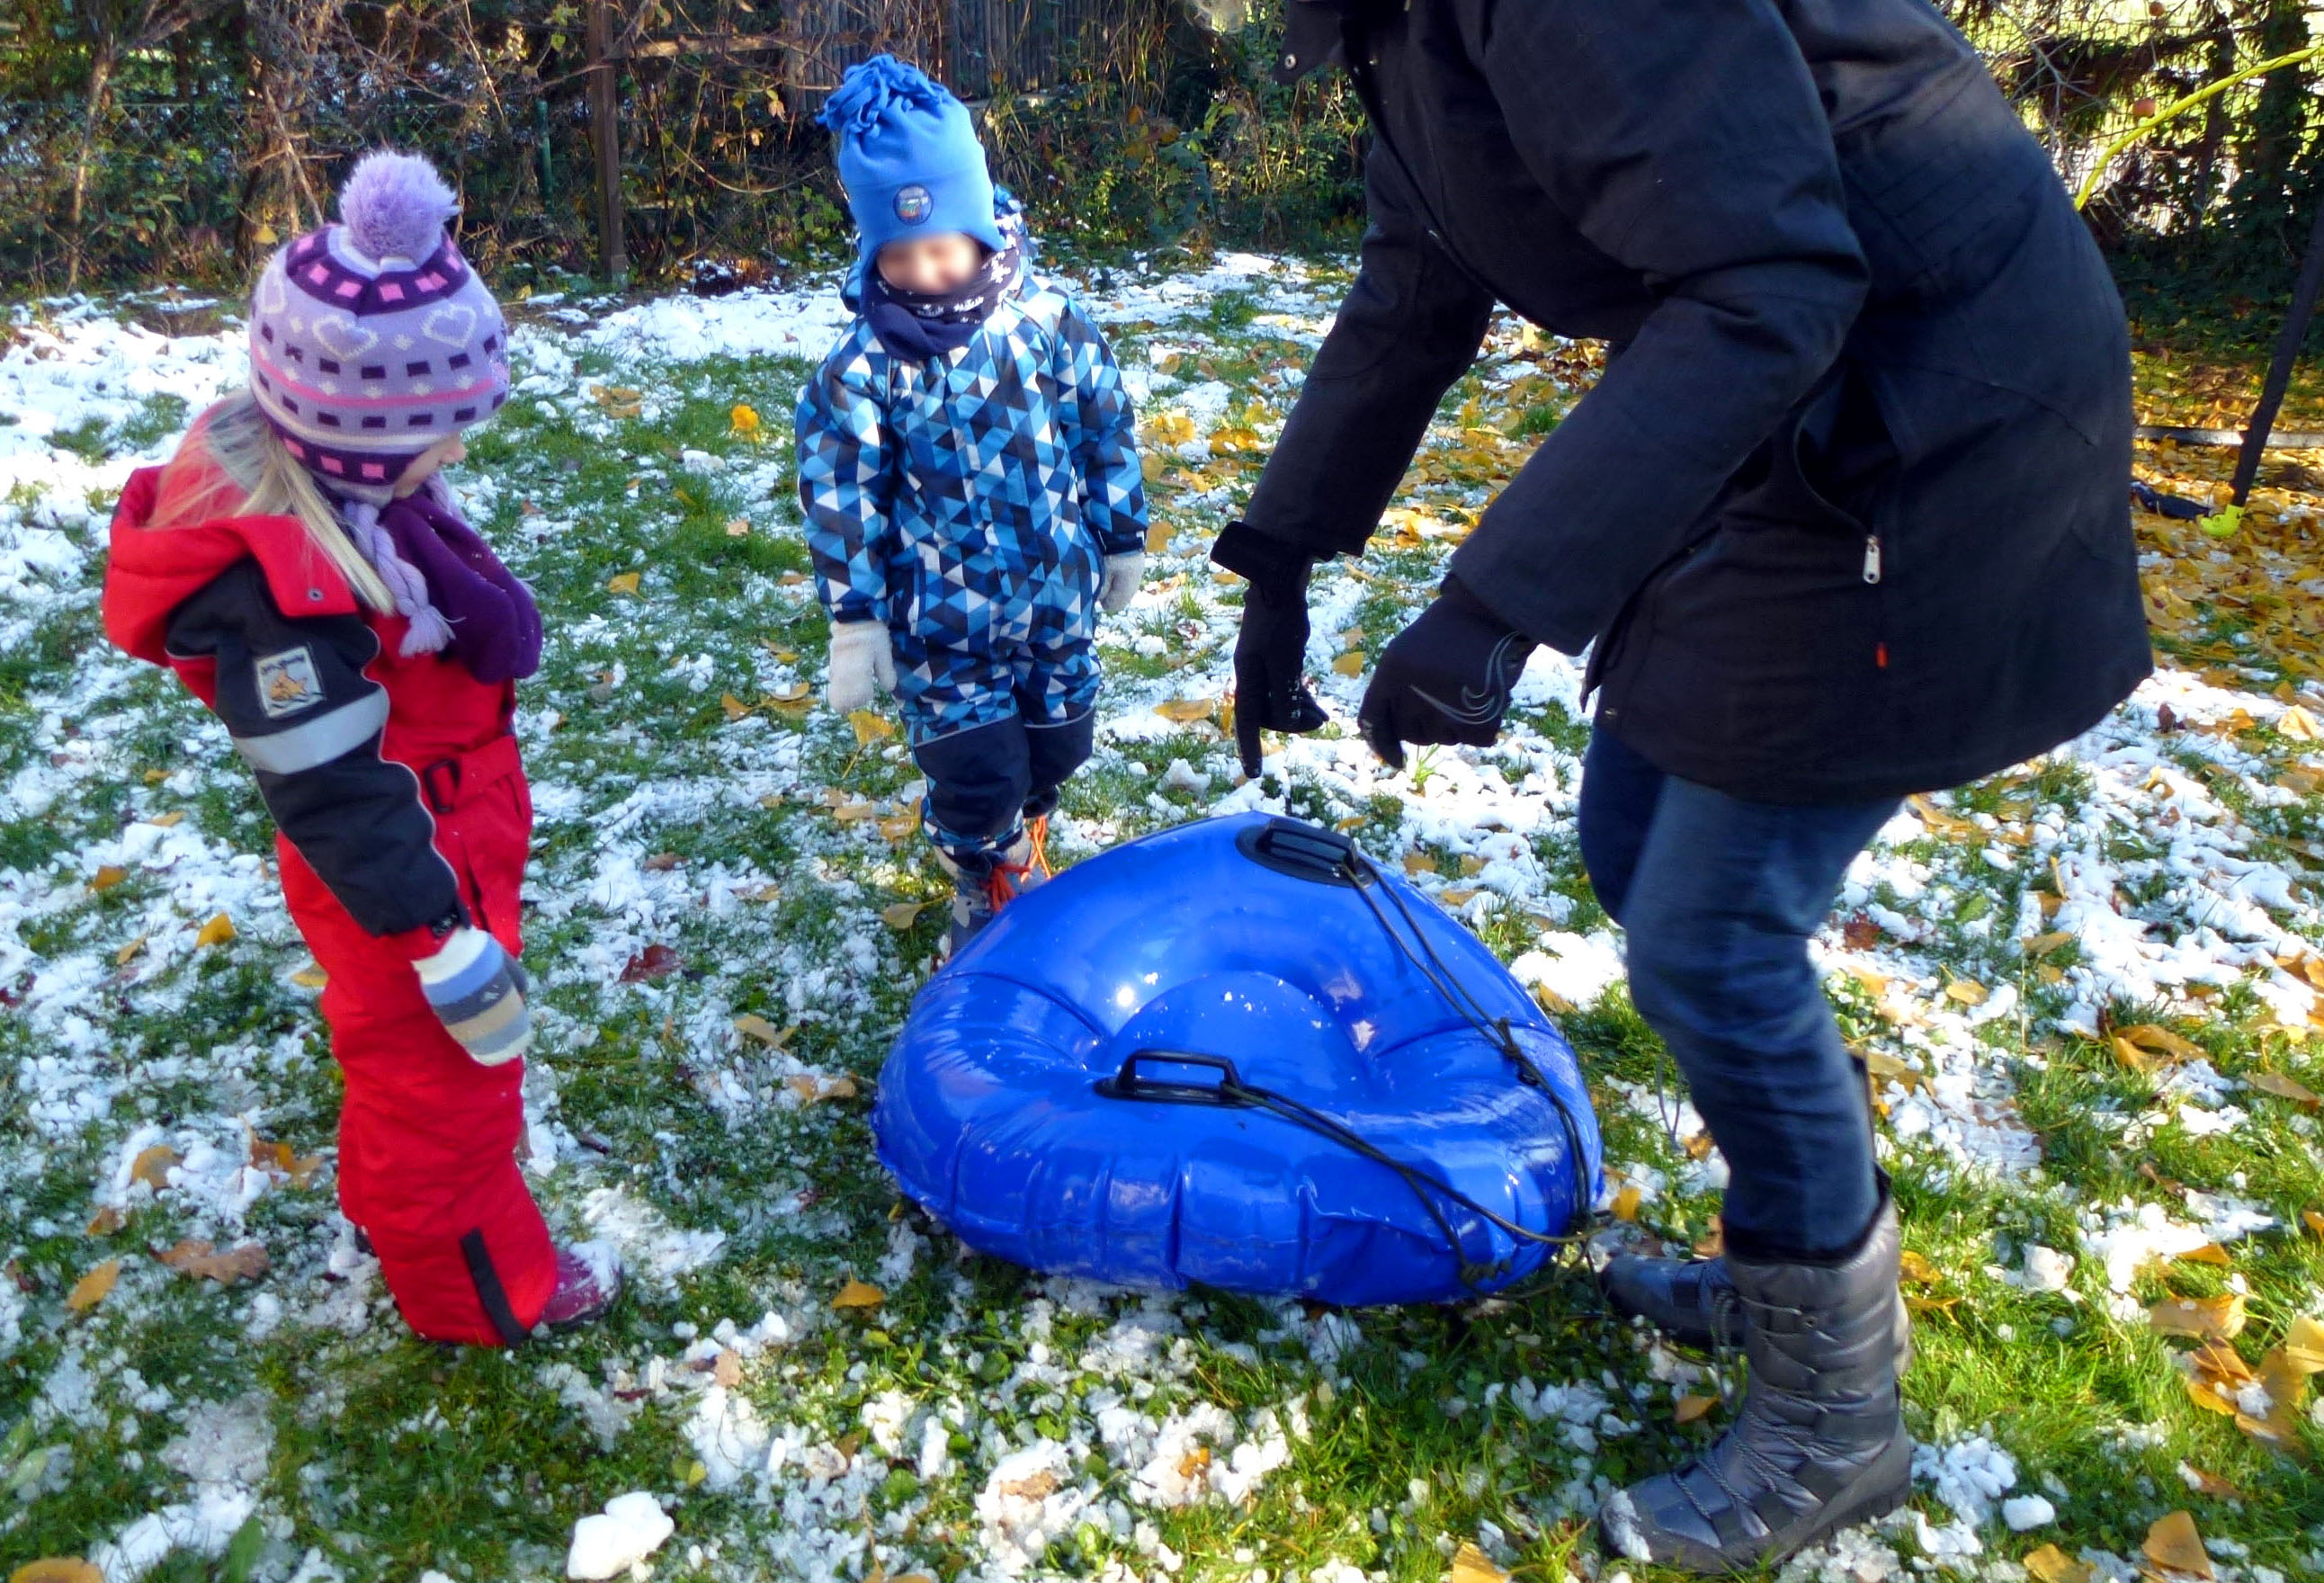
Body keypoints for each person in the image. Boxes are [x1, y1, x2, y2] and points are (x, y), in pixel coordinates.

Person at [1214, 1, 2150, 1570]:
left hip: (1933, 427)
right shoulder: (1400, 23)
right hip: (1774, 409)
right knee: (1632, 836)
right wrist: (1282, 555)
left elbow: (1767, 276)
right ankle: (1796, 1222)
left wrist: (1493, 607)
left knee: (1710, 932)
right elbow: (1416, 283)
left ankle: (1833, 1420)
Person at [103, 151, 619, 1347]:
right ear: (364, 435)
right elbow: (331, 790)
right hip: (408, 881)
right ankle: (482, 1298)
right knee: (445, 1089)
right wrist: (439, 939)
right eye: (443, 435)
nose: (460, 454)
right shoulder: (282, 601)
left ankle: (401, 1215)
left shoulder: (356, 513)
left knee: (410, 1075)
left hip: (446, 835)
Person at [797, 56, 1149, 952]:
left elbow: (1104, 423)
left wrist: (1120, 536)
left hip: (1054, 600)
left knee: (1058, 747)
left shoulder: (1050, 324)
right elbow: (843, 493)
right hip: (940, 620)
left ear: (982, 224)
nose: (924, 269)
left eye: (941, 245)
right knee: (974, 769)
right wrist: (856, 618)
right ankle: (983, 877)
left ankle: (1018, 833)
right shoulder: (863, 367)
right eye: (899, 252)